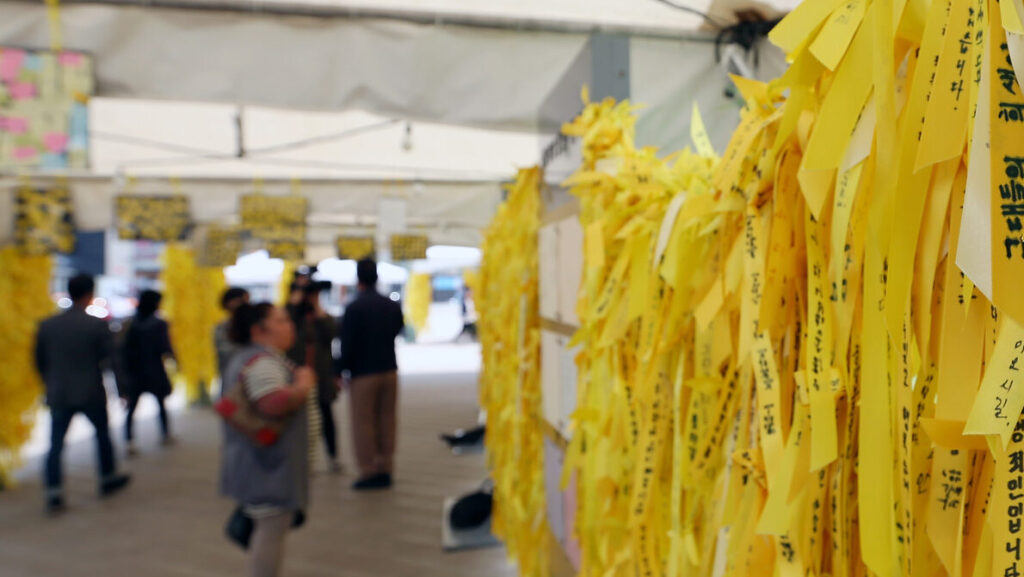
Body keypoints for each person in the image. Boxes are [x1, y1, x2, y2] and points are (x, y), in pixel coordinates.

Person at [221, 302, 314, 577]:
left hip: (262, 464)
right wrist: (303, 386)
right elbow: (272, 402)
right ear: (258, 330)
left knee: (270, 528)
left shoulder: (250, 357)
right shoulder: (263, 363)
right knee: (271, 531)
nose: (290, 326)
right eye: (281, 321)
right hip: (269, 467)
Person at [35, 274, 131, 515]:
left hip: (59, 392)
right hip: (90, 392)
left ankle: (54, 492)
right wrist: (122, 390)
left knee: (56, 444)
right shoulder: (96, 325)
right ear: (90, 294)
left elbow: (39, 361)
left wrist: (49, 383)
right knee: (102, 436)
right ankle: (107, 479)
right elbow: (112, 361)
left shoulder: (48, 325)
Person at [338, 258, 405, 490]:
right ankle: (386, 467)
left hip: (363, 373)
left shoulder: (354, 307)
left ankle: (369, 470)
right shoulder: (391, 305)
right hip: (389, 369)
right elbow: (398, 329)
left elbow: (346, 344)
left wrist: (340, 370)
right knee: (387, 419)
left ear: (358, 279)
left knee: (363, 422)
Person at [286, 282, 341, 473]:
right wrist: (293, 304)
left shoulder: (320, 317)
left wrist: (318, 309)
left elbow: (332, 333)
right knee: (297, 417)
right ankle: (300, 458)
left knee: (326, 416)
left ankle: (333, 456)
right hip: (297, 374)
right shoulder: (291, 316)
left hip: (321, 374)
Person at [120, 289, 176, 456]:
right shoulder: (159, 324)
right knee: (160, 404)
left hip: (135, 370)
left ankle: (129, 440)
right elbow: (165, 347)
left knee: (132, 408)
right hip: (154, 369)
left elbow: (123, 349)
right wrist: (175, 360)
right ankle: (165, 434)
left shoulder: (130, 323)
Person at [215, 287, 251, 385]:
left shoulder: (252, 325)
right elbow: (227, 352)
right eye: (242, 301)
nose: (247, 305)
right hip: (232, 379)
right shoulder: (222, 328)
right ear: (230, 303)